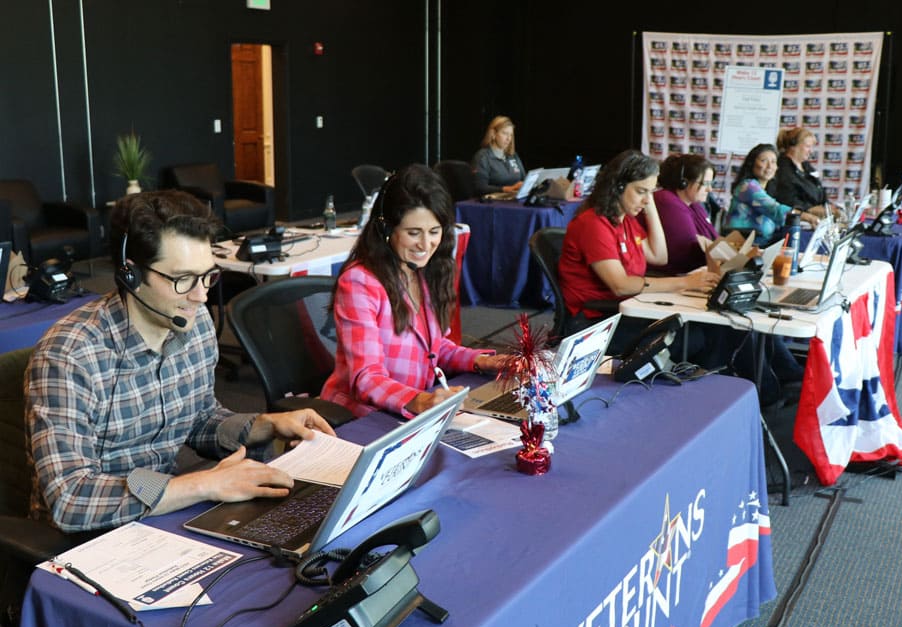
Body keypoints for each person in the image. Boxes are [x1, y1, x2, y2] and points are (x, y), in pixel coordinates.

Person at [25, 190, 335, 533]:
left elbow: (199, 418)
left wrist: (269, 425)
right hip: (86, 539)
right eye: (182, 279)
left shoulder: (194, 322)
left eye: (207, 275)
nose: (201, 295)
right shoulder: (70, 355)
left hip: (165, 513)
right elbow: (70, 500)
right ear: (131, 274)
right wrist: (203, 485)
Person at [321, 164, 507, 417]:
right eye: (413, 233)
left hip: (413, 409)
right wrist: (420, 401)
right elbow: (367, 377)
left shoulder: (424, 270)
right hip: (364, 416)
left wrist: (481, 360)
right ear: (387, 229)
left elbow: (434, 349)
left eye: (434, 232)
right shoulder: (359, 282)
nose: (426, 244)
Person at [556, 149, 718, 355]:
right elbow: (621, 285)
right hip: (594, 323)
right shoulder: (594, 224)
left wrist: (650, 207)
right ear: (618, 186)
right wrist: (686, 282)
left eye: (651, 192)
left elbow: (659, 256)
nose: (647, 199)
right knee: (695, 337)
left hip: (620, 312)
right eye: (642, 191)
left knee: (707, 331)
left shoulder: (626, 221)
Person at [726, 143, 818, 245]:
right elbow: (775, 209)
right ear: (751, 163)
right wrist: (808, 217)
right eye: (764, 161)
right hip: (744, 248)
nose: (770, 166)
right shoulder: (748, 186)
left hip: (763, 246)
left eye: (773, 162)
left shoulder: (767, 189)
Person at [648, 153, 719, 275]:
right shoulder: (666, 200)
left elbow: (714, 241)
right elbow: (687, 251)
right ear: (684, 182)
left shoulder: (694, 204)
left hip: (688, 274)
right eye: (705, 183)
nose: (709, 189)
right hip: (666, 276)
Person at [767, 127, 835, 216]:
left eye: (812, 147)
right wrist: (811, 210)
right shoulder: (782, 168)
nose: (811, 151)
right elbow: (788, 201)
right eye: (807, 146)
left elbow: (820, 190)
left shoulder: (806, 166)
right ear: (793, 146)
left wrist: (828, 208)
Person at [471, 115, 526, 196]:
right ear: (493, 134)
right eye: (505, 133)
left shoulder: (513, 155)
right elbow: (479, 187)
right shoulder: (482, 157)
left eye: (510, 135)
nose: (508, 138)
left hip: (515, 199)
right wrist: (506, 189)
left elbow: (524, 179)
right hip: (493, 203)